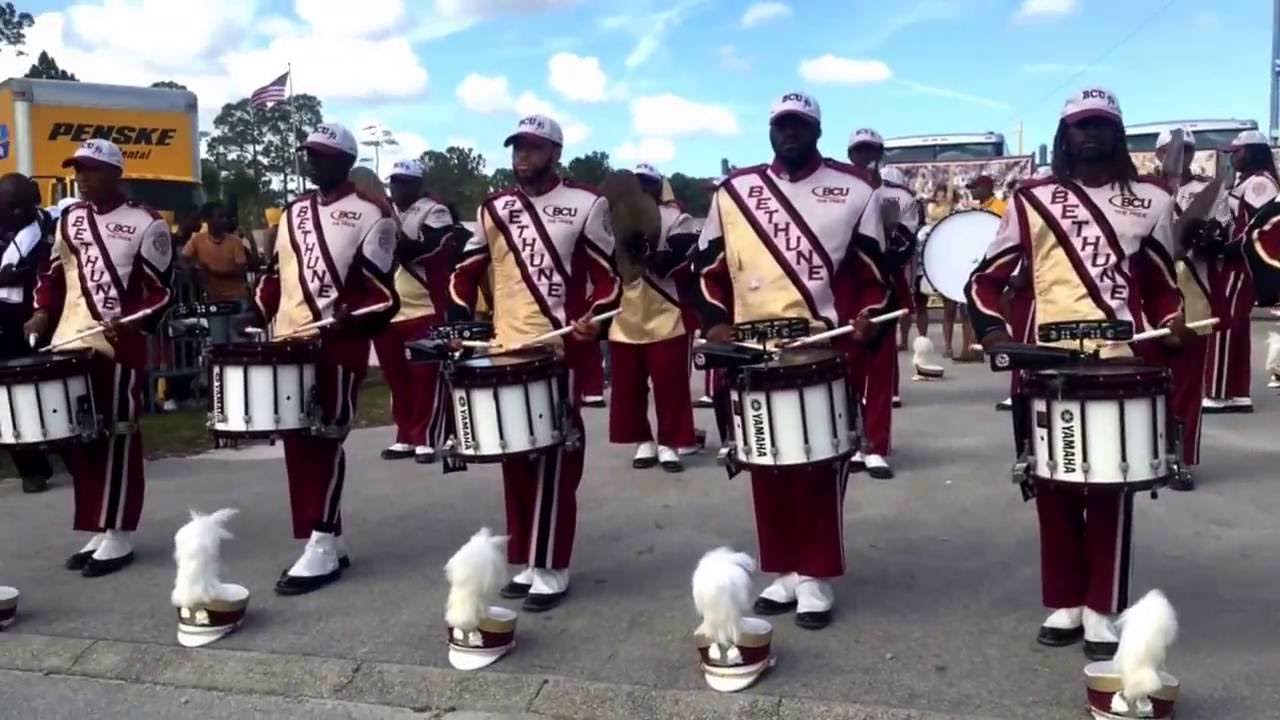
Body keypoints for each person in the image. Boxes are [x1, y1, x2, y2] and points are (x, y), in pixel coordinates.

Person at [966, 87, 1187, 660]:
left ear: (1118, 133)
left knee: (1111, 485)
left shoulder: (1153, 201)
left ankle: (1101, 606)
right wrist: (994, 333)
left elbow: (1162, 287)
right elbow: (985, 281)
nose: (1090, 134)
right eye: (1080, 126)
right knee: (1051, 485)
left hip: (1119, 363)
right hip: (1046, 363)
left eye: (1101, 125)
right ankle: (1064, 599)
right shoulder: (1030, 200)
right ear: (1065, 136)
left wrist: (1172, 323)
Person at [693, 92, 890, 629]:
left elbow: (873, 275)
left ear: (817, 130)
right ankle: (782, 571)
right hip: (753, 350)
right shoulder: (734, 192)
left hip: (819, 346)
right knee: (766, 465)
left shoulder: (855, 190)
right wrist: (714, 321)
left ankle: (816, 576)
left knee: (818, 464)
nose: (789, 133)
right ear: (771, 129)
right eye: (781, 124)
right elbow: (706, 269)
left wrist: (867, 317)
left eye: (799, 125)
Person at [448, 114, 620, 612]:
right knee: (514, 458)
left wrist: (596, 320)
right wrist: (461, 318)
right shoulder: (494, 208)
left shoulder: (587, 204)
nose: (523, 156)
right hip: (505, 347)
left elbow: (609, 282)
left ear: (556, 152)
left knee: (554, 459)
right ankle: (527, 558)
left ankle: (552, 564)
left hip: (557, 349)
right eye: (518, 147)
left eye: (534, 148)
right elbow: (465, 271)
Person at [253, 123, 400, 595]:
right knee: (297, 441)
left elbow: (382, 296)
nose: (311, 163)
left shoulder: (372, 213)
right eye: (308, 155)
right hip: (289, 339)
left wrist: (348, 319)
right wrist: (260, 312)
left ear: (345, 161)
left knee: (326, 437)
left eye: (321, 155)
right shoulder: (293, 212)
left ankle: (319, 538)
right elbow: (276, 275)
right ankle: (326, 537)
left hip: (338, 344)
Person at [25, 139, 174, 577]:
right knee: (81, 437)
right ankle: (97, 523)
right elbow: (52, 272)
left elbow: (160, 293)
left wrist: (132, 321)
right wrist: (40, 312)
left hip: (118, 347)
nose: (82, 178)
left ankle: (120, 531)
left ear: (115, 174)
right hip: (71, 341)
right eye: (78, 170)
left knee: (118, 433)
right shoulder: (70, 219)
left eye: (91, 170)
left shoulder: (147, 224)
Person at [373, 159, 469, 464]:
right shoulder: (385, 213)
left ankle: (426, 438)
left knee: (425, 376)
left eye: (403, 182)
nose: (396, 188)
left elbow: (430, 249)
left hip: (425, 307)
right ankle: (404, 435)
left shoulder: (434, 211)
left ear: (416, 185)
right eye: (393, 182)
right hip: (390, 310)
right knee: (396, 377)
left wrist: (395, 232)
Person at [607, 163, 700, 472]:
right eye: (637, 183)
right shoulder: (609, 221)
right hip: (624, 314)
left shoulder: (678, 218)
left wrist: (650, 252)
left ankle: (669, 442)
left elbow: (682, 262)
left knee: (670, 384)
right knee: (628, 385)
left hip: (666, 311)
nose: (642, 189)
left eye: (648, 183)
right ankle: (642, 440)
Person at [1155, 128, 1226, 491]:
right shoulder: (1140, 192)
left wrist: (1209, 238)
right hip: (1146, 299)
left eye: (1187, 149)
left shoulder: (1207, 191)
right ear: (1159, 153)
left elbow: (1224, 238)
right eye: (1173, 150)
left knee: (1186, 385)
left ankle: (1181, 459)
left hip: (1194, 295)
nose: (1180, 156)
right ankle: (1145, 454)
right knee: (1144, 382)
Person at [1203, 130, 1279, 413]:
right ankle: (1237, 393)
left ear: (1252, 152)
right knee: (1235, 325)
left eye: (1237, 152)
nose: (1232, 157)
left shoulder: (1260, 183)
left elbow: (1259, 226)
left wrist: (1226, 247)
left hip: (1242, 263)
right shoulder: (1250, 181)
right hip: (1239, 260)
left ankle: (1218, 393)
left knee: (1222, 323)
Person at [845, 127, 900, 474]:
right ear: (850, 154)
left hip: (884, 290)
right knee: (846, 371)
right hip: (841, 291)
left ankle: (877, 445)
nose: (866, 157)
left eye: (872, 151)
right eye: (860, 151)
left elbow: (905, 244)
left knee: (879, 371)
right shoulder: (836, 192)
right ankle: (852, 441)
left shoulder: (899, 197)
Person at [0, 174, 54, 493]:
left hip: (28, 324)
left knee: (29, 395)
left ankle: (43, 464)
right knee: (6, 400)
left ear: (17, 209)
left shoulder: (45, 232)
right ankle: (32, 467)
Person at [181, 201, 250, 344]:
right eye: (219, 217)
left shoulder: (235, 242)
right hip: (214, 301)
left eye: (224, 217)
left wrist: (212, 272)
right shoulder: (197, 240)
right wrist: (194, 269)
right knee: (219, 344)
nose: (224, 220)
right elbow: (183, 260)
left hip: (237, 300)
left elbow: (240, 270)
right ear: (207, 219)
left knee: (240, 345)